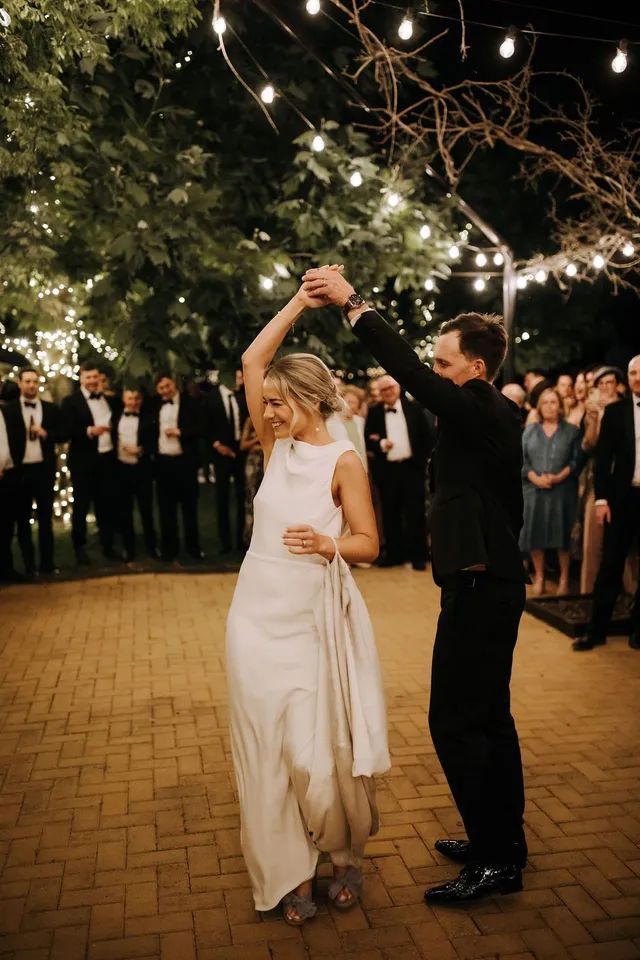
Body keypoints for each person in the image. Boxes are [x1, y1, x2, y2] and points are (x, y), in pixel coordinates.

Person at [303, 264, 528, 903]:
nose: (434, 371)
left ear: (476, 370)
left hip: (483, 587)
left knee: (454, 721)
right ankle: (503, 842)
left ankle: (493, 861)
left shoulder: (484, 405)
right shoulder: (478, 415)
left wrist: (354, 306)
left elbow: (410, 374)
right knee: (490, 717)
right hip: (487, 583)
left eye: (444, 363)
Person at [226, 280, 389, 925]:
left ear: (308, 398)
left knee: (315, 751)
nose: (265, 412)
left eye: (276, 403)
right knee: (261, 747)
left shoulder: (342, 460)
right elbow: (251, 361)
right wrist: (299, 302)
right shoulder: (274, 448)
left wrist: (329, 543)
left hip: (310, 619)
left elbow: (371, 543)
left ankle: (344, 857)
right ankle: (287, 872)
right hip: (253, 615)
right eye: (264, 404)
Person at [573, 355, 640, 652]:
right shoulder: (615, 412)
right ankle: (595, 631)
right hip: (622, 499)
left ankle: (637, 631)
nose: (637, 377)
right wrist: (601, 499)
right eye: (633, 373)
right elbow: (603, 461)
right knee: (610, 564)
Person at [365, 374, 434, 570]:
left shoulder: (414, 408)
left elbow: (426, 437)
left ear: (398, 387)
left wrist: (421, 463)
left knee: (416, 514)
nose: (387, 392)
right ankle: (394, 555)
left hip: (412, 469)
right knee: (390, 514)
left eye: (390, 388)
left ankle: (418, 557)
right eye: (383, 389)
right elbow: (368, 438)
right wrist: (380, 443)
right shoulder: (374, 412)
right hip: (387, 471)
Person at [520, 388, 581, 596]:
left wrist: (560, 476)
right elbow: (522, 461)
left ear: (560, 406)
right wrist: (534, 477)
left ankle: (564, 578)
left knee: (561, 535)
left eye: (553, 402)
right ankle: (539, 576)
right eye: (544, 402)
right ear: (539, 406)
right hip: (534, 491)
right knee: (534, 535)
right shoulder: (529, 431)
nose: (548, 406)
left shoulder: (571, 431)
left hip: (562, 491)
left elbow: (576, 461)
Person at [5, 368, 62, 575]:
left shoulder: (50, 409)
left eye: (35, 382)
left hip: (43, 469)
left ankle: (47, 563)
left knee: (46, 519)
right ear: (20, 384)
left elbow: (63, 433)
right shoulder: (9, 410)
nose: (31, 385)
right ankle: (29, 565)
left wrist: (46, 433)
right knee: (22, 520)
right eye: (27, 381)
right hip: (20, 471)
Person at [60, 363, 118, 564]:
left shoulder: (108, 400)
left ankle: (108, 545)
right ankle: (79, 547)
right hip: (84, 462)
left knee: (106, 504)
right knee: (82, 506)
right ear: (81, 379)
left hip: (107, 459)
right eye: (88, 377)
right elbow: (65, 431)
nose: (92, 381)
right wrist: (88, 431)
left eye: (95, 377)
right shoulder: (70, 402)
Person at [151, 373, 203, 562]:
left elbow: (200, 427)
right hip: (163, 463)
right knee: (166, 509)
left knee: (190, 508)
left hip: (185, 462)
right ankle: (168, 549)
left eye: (167, 386)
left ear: (174, 384)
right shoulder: (154, 405)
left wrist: (180, 432)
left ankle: (193, 548)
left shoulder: (190, 402)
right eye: (161, 388)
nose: (165, 390)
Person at [113, 388, 158, 561]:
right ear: (124, 399)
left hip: (142, 470)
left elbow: (154, 443)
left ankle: (151, 548)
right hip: (121, 470)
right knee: (125, 512)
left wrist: (140, 450)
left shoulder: (148, 418)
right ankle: (129, 549)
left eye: (136, 398)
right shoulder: (115, 416)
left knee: (146, 510)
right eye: (129, 398)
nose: (133, 402)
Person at [206, 378, 245, 553]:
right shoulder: (211, 397)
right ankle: (225, 543)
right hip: (220, 453)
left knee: (242, 497)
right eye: (237, 377)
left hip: (241, 452)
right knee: (222, 498)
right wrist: (217, 445)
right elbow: (205, 425)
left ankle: (241, 539)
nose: (241, 380)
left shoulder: (242, 396)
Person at [239, 415, 263, 545]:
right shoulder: (250, 420)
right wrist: (258, 439)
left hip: (269, 462)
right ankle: (250, 537)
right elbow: (243, 445)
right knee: (251, 499)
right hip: (253, 463)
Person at [340, 385, 368, 467]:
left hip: (361, 463)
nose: (350, 406)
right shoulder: (333, 422)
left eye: (354, 402)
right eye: (348, 402)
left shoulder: (360, 421)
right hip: (344, 465)